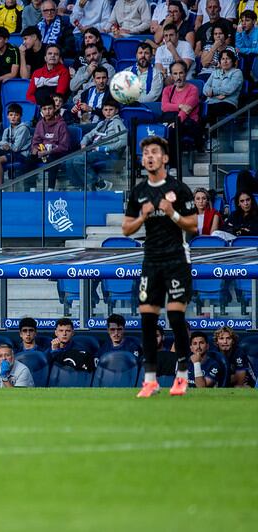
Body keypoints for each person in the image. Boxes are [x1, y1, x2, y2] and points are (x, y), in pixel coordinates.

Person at [122, 135, 197, 397]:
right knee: (147, 319)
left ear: (165, 158)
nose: (149, 157)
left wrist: (171, 212)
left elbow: (193, 226)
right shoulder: (139, 192)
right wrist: (142, 216)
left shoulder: (180, 189)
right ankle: (150, 380)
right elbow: (125, 229)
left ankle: (183, 375)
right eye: (145, 153)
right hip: (151, 259)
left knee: (176, 316)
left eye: (154, 152)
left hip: (176, 258)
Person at [68, 99, 125, 191]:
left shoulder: (117, 123)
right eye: (106, 110)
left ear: (116, 111)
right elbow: (89, 135)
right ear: (102, 111)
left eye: (111, 110)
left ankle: (100, 183)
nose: (108, 112)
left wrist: (106, 148)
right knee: (69, 161)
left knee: (78, 160)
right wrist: (83, 144)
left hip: (107, 154)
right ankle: (81, 188)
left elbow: (123, 141)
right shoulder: (102, 123)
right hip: (93, 151)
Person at [0, 102, 32, 187]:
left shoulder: (23, 128)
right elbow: (4, 144)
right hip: (10, 153)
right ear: (7, 116)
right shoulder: (6, 130)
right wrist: (3, 145)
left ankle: (0, 187)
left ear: (20, 116)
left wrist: (1, 145)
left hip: (22, 155)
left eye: (16, 115)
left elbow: (16, 148)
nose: (13, 117)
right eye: (11, 115)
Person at [202, 48, 242, 143]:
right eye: (223, 59)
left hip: (228, 102)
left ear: (232, 61)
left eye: (227, 58)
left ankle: (213, 139)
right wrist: (215, 93)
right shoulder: (215, 72)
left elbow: (229, 89)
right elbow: (205, 87)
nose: (225, 61)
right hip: (212, 102)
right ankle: (201, 138)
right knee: (200, 110)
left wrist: (213, 92)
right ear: (219, 61)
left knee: (212, 110)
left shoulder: (237, 72)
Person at [161, 60, 201, 154]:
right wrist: (180, 106)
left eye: (181, 73)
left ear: (186, 74)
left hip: (188, 122)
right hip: (171, 120)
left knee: (172, 132)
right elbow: (164, 107)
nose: (178, 77)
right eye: (175, 74)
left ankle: (174, 166)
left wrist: (176, 122)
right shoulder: (167, 90)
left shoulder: (193, 89)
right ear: (171, 76)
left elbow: (186, 111)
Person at [30, 95, 69, 190]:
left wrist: (48, 151)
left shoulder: (61, 124)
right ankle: (31, 189)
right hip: (42, 153)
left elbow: (64, 146)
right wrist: (37, 150)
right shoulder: (40, 124)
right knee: (29, 160)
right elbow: (35, 142)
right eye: (45, 109)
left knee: (53, 160)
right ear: (41, 111)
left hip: (56, 154)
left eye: (50, 109)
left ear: (55, 109)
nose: (47, 111)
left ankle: (50, 189)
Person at [236, 10, 258, 82]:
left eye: (247, 20)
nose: (244, 23)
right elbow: (238, 48)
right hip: (247, 60)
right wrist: (238, 34)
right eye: (242, 21)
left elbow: (257, 50)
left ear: (254, 21)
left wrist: (243, 50)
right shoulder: (241, 32)